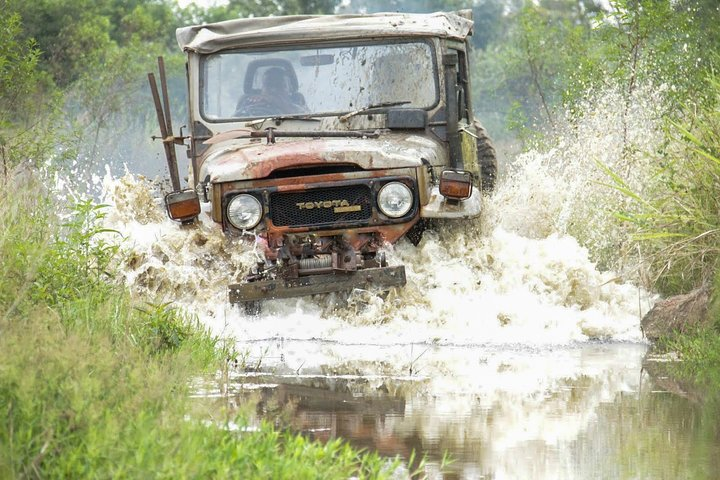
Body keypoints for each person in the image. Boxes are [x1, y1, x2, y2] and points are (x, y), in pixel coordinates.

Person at [235, 67, 305, 117]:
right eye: (269, 85)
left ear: (289, 90)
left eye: (279, 86)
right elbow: (235, 124)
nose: (273, 90)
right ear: (262, 89)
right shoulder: (248, 103)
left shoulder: (297, 107)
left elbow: (306, 125)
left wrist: (282, 106)